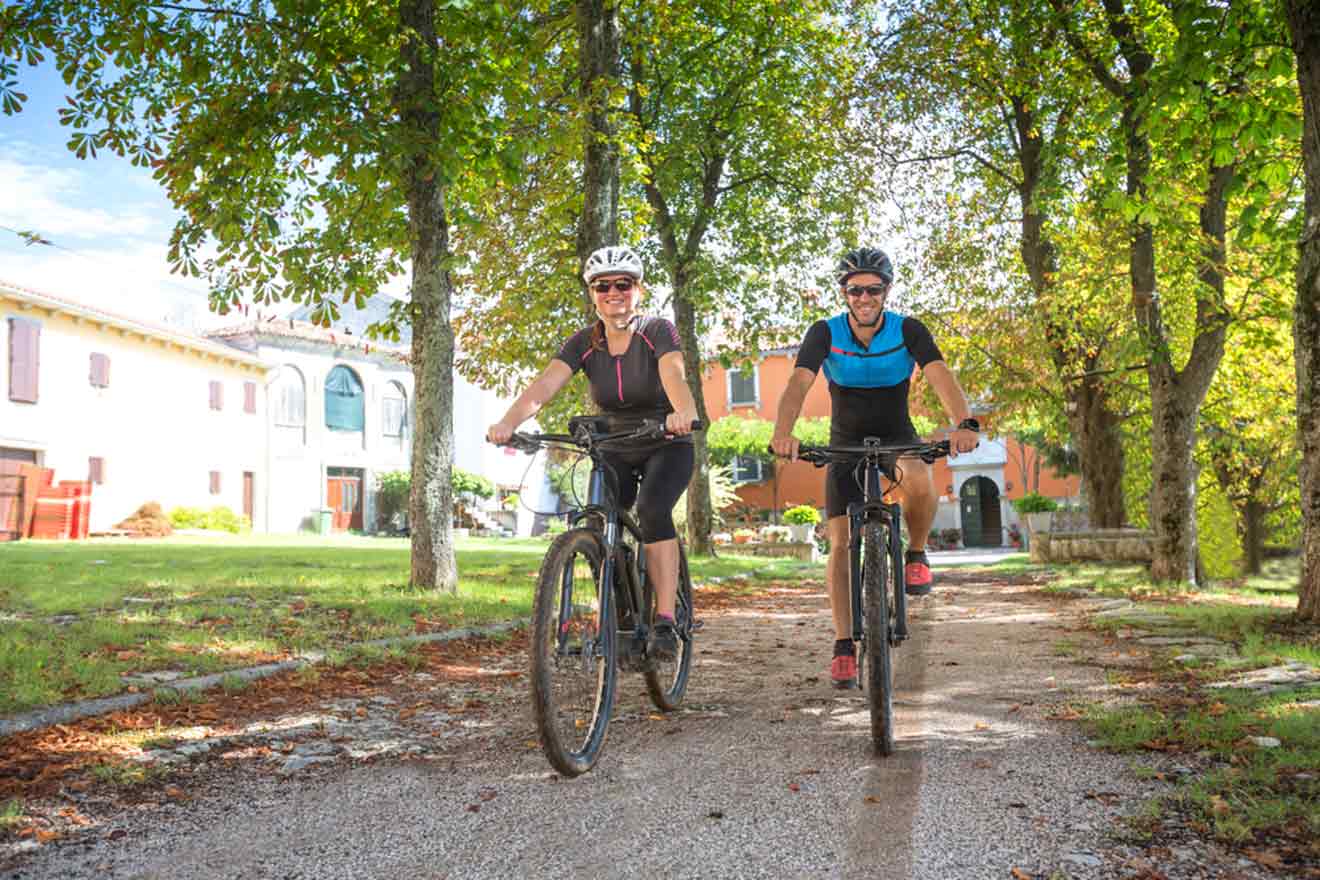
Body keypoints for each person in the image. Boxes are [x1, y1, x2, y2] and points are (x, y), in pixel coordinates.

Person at [770, 246, 979, 689]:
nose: (864, 297)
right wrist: (783, 431)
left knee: (920, 480)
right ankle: (844, 644)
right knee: (841, 541)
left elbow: (940, 373)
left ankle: (917, 553)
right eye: (854, 290)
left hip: (897, 434)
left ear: (886, 291)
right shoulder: (824, 332)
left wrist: (965, 422)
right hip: (844, 441)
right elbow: (798, 384)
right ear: (843, 293)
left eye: (873, 289)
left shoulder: (909, 329)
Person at [487, 245, 699, 659]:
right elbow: (544, 385)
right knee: (598, 520)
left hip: (665, 440)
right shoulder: (584, 342)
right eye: (603, 286)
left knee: (654, 511)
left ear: (639, 289)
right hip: (613, 444)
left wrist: (683, 410)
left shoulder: (658, 330)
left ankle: (665, 621)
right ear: (592, 293)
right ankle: (618, 613)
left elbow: (673, 372)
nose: (613, 292)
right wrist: (509, 422)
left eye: (623, 284)